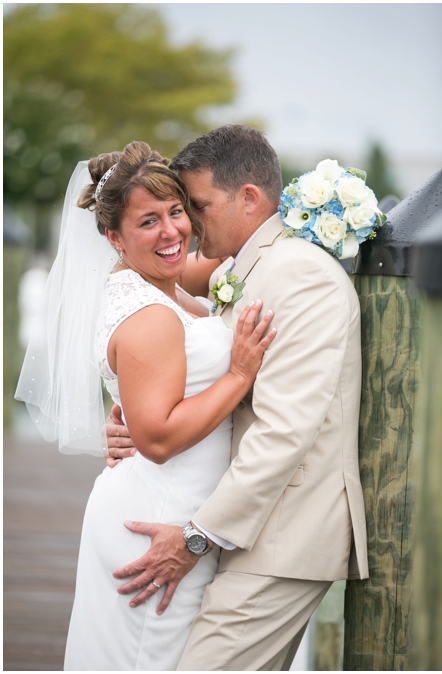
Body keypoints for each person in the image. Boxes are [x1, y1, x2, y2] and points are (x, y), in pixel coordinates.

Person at [105, 125, 369, 669]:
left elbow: (284, 430)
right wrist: (136, 416)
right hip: (242, 528)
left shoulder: (300, 276)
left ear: (248, 198)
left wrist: (196, 538)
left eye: (196, 205)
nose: (189, 222)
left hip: (281, 537)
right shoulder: (243, 269)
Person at [16, 142, 277, 669]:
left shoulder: (167, 281)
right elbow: (156, 439)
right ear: (113, 237)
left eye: (177, 212)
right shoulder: (148, 313)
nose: (171, 232)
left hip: (175, 509)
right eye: (148, 222)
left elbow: (238, 254)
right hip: (158, 521)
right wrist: (239, 374)